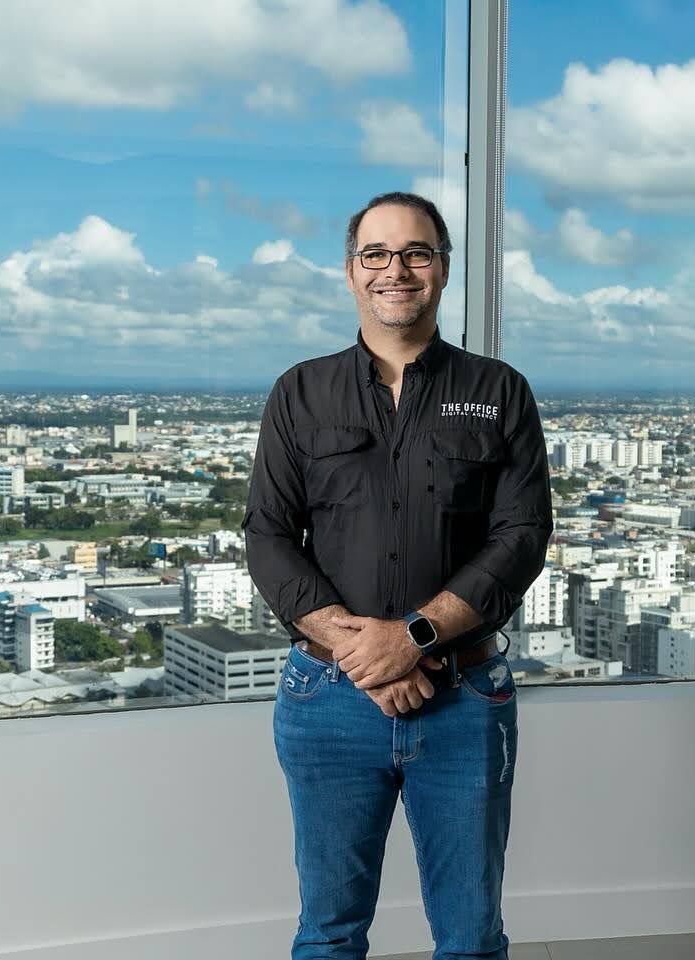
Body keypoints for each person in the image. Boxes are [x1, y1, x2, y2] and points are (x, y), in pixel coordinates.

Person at [242, 191, 553, 959]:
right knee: (330, 933)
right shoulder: (300, 392)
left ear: (443, 270)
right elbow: (268, 537)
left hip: (464, 699)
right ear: (350, 272)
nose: (396, 269)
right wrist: (364, 653)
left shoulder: (498, 391)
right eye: (375, 254)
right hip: (328, 699)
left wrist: (412, 637)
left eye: (416, 252)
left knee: (472, 936)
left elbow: (522, 537)